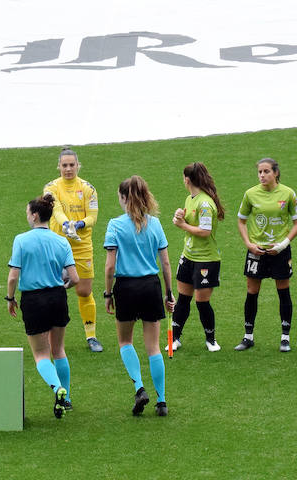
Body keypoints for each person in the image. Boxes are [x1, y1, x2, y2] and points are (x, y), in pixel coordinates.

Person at [103, 176, 175, 417]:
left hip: (126, 287)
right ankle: (162, 401)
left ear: (123, 198)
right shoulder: (155, 224)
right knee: (153, 347)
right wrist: (168, 293)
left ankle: (139, 387)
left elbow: (110, 267)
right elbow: (165, 263)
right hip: (151, 286)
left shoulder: (114, 225)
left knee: (125, 342)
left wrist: (107, 292)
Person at [6, 194, 79, 419]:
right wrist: (60, 288)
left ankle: (58, 389)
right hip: (57, 298)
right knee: (59, 351)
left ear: (35, 215)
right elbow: (74, 278)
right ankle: (66, 401)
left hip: (33, 300)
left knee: (40, 355)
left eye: (28, 213)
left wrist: (10, 299)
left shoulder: (21, 240)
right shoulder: (61, 241)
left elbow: (12, 277)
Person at [235, 158, 297, 352]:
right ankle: (248, 337)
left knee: (283, 291)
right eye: (260, 172)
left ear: (276, 173)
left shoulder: (288, 194)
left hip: (280, 251)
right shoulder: (250, 194)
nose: (262, 175)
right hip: (257, 251)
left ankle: (285, 338)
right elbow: (241, 221)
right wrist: (249, 244)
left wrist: (283, 245)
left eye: (266, 172)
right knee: (251, 291)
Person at [43, 147, 104, 352]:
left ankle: (91, 336)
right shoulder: (51, 188)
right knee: (53, 290)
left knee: (84, 291)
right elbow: (56, 211)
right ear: (58, 166)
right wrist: (67, 225)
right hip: (57, 245)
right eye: (64, 165)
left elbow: (93, 217)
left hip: (81, 245)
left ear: (78, 165)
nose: (68, 169)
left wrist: (78, 226)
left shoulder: (88, 189)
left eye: (72, 165)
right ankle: (49, 334)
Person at [170, 162, 225, 352]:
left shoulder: (204, 203)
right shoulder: (190, 199)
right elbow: (188, 221)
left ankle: (211, 339)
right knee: (183, 298)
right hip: (188, 257)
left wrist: (182, 226)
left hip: (206, 260)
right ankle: (175, 338)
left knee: (202, 302)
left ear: (187, 179)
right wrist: (179, 217)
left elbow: (204, 231)